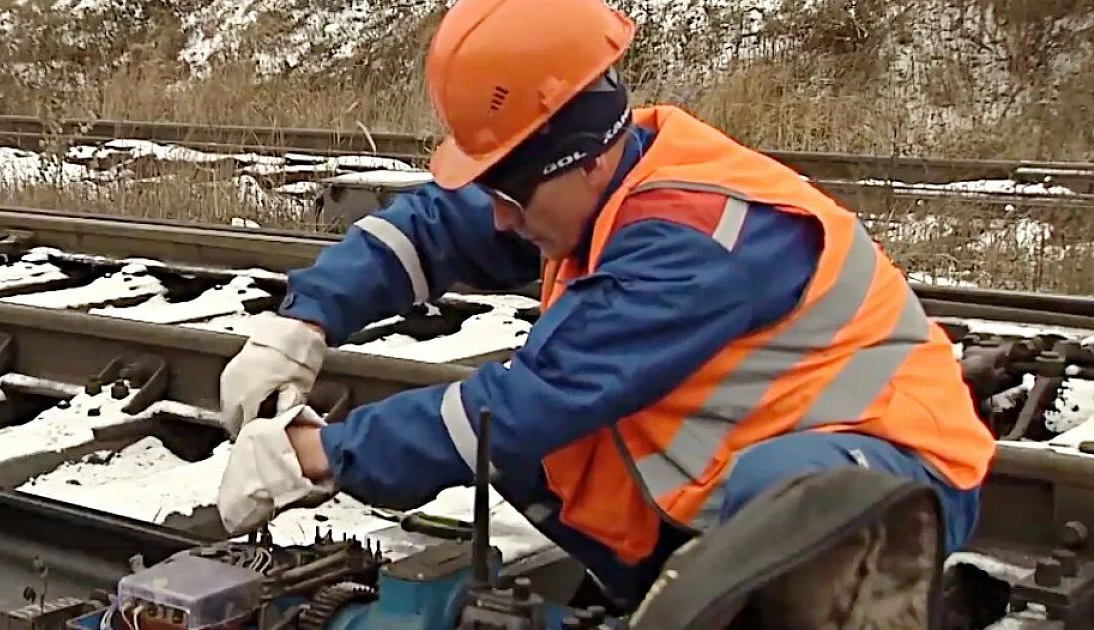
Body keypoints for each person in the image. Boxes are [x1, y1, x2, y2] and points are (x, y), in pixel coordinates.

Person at [215, 0, 997, 612]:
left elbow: (527, 401)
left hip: (882, 476)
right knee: (545, 455)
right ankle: (667, 597)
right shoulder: (599, 183)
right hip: (755, 449)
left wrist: (319, 455)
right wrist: (304, 321)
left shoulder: (692, 243)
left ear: (580, 161)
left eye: (510, 193)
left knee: (781, 498)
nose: (502, 220)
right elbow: (440, 223)